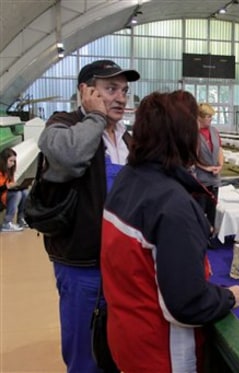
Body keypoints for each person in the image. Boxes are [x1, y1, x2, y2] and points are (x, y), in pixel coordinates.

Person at [101, 90, 239, 372]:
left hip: (125, 334)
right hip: (161, 350)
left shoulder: (127, 180)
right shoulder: (172, 205)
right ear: (182, 136)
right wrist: (228, 297)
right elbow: (187, 305)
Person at [37, 59, 140, 373]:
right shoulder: (62, 125)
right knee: (84, 349)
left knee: (116, 347)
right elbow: (70, 159)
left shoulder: (126, 138)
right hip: (82, 263)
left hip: (122, 265)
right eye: (110, 89)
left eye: (124, 90)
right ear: (86, 90)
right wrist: (95, 116)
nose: (121, 98)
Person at [193, 103, 224, 234]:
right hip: (201, 178)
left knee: (212, 209)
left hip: (214, 178)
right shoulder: (194, 133)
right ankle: (200, 235)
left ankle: (210, 235)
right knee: (200, 208)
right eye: (208, 116)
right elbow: (192, 156)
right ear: (199, 117)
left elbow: (220, 150)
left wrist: (220, 166)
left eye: (211, 116)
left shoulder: (214, 131)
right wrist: (206, 168)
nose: (210, 119)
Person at [0, 148, 28, 232]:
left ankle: (21, 219)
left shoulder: (9, 171)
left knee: (24, 192)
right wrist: (7, 186)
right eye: (11, 161)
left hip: (5, 194)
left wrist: (15, 186)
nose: (12, 164)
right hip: (1, 195)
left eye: (14, 161)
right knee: (17, 194)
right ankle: (6, 223)